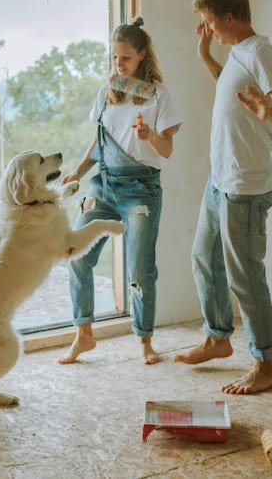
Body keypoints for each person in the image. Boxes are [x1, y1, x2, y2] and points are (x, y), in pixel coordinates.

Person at [174, 0, 272, 394]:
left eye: (210, 22)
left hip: (245, 186)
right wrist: (204, 54)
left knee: (245, 276)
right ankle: (217, 338)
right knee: (204, 259)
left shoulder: (262, 52)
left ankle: (265, 364)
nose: (208, 28)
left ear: (229, 17)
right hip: (220, 180)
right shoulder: (236, 54)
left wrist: (268, 109)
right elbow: (226, 85)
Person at [58, 18, 182, 365]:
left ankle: (144, 341)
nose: (118, 65)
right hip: (104, 183)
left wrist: (149, 137)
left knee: (139, 270)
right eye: (114, 58)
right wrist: (78, 173)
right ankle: (83, 335)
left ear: (142, 56)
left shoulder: (158, 95)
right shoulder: (106, 93)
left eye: (125, 58)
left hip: (141, 188)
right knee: (77, 254)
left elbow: (167, 150)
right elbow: (99, 143)